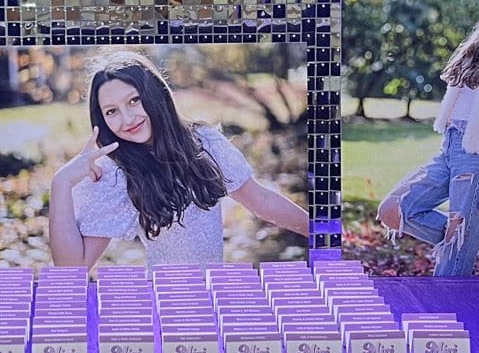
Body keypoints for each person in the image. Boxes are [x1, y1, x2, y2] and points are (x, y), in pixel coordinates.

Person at [47, 50, 308, 267]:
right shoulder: (118, 173)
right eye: (112, 111)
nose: (127, 119)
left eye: (134, 101)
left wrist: (323, 232)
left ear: (154, 94)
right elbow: (73, 268)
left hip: (211, 295)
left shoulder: (205, 144)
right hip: (164, 302)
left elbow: (261, 200)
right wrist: (61, 183)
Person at [377, 0, 479, 277]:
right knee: (393, 210)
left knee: (453, 258)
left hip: (476, 159)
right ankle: (474, 238)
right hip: (448, 148)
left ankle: (450, 303)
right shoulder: (472, 55)